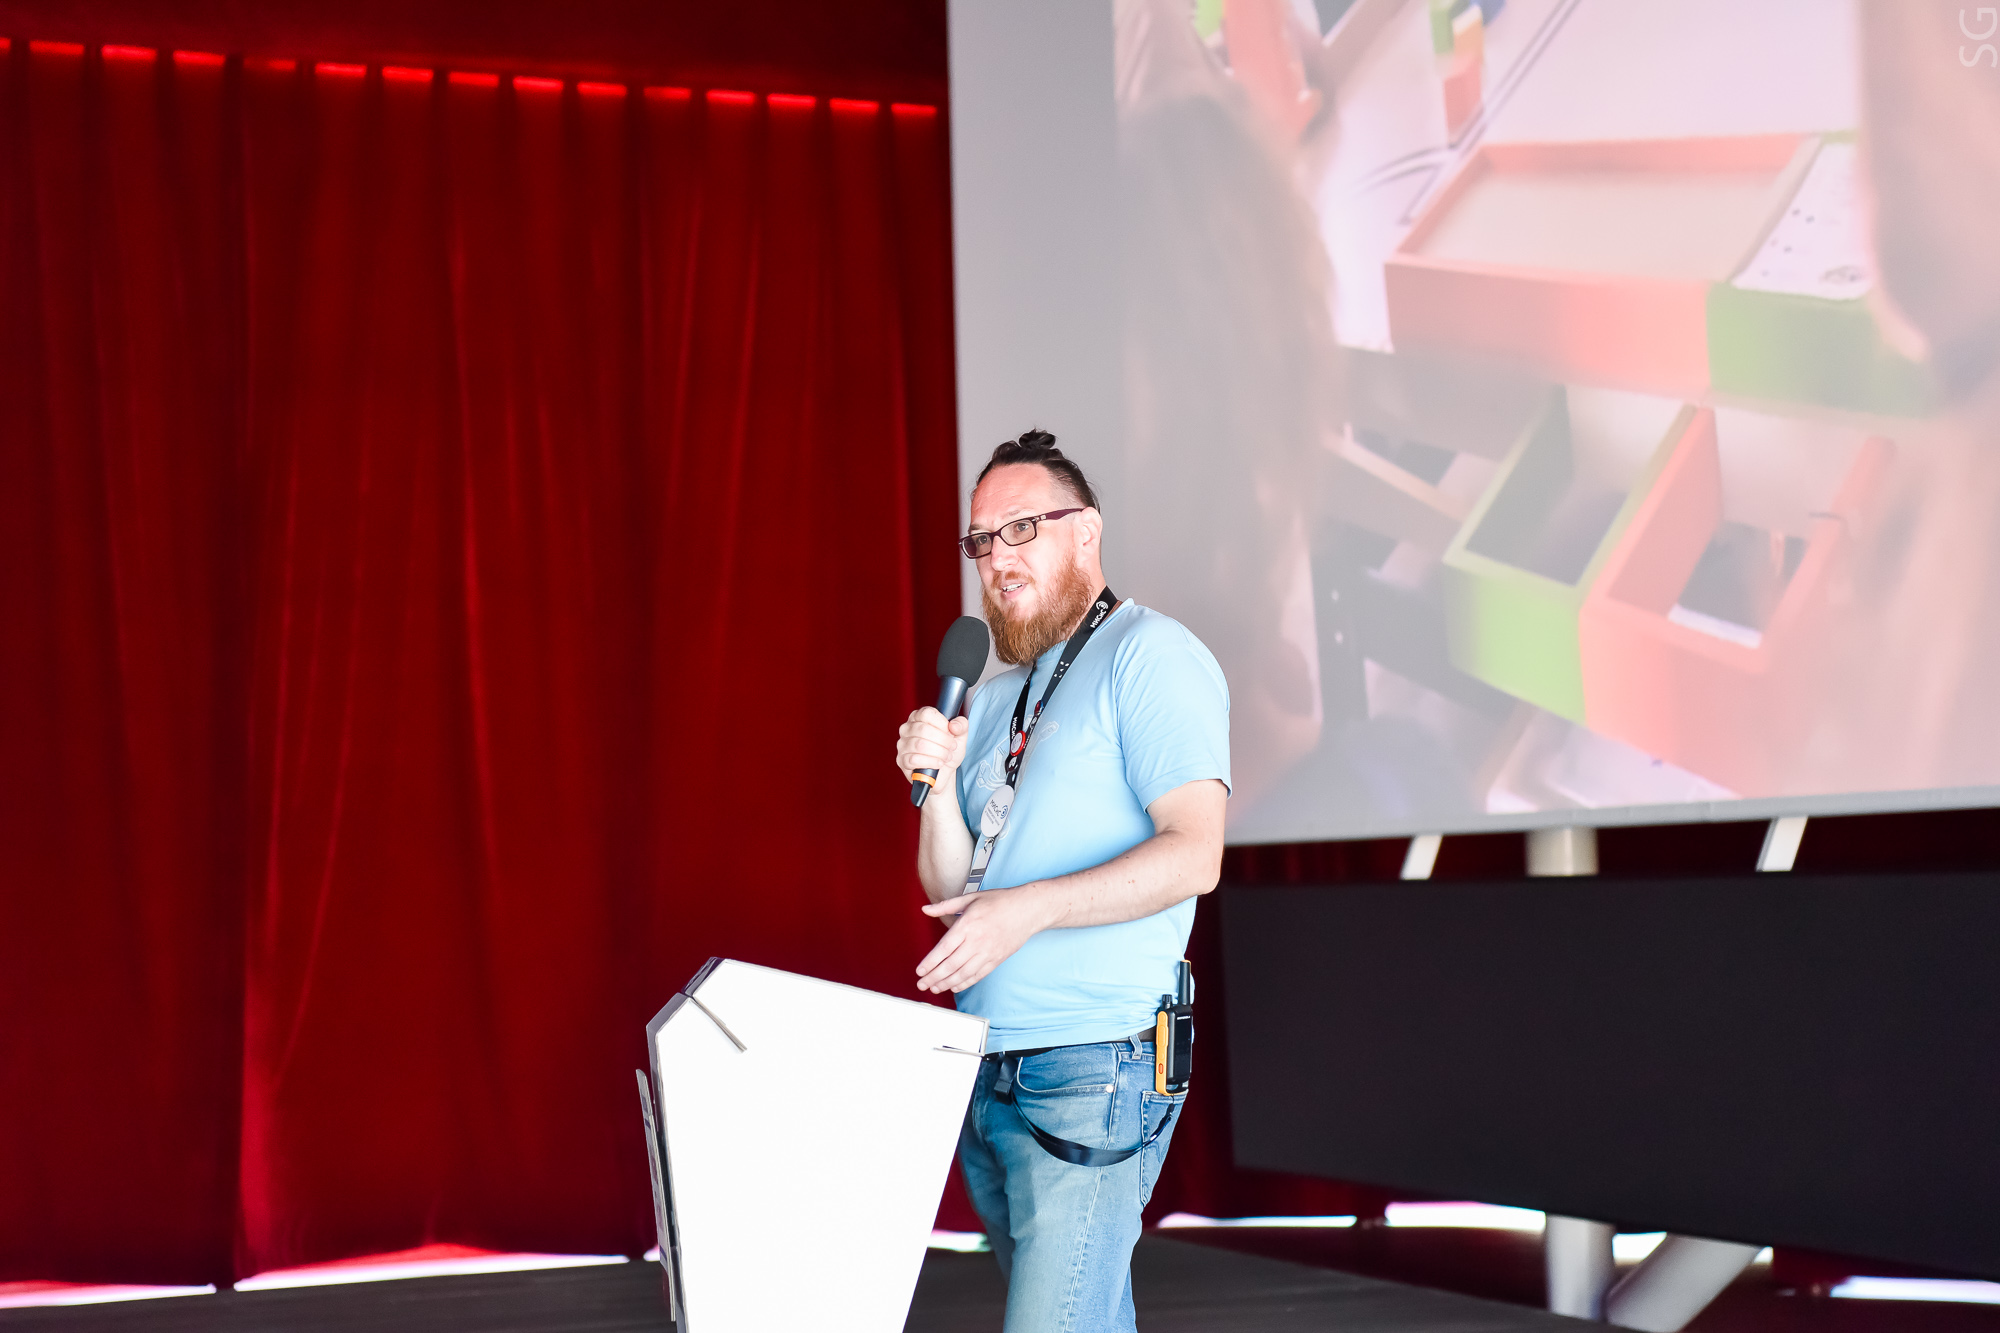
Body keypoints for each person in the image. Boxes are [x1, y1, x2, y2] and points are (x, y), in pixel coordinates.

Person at [893, 429, 1231, 1333]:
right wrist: (937, 787)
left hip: (1096, 1065)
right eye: (980, 540)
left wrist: (1028, 910)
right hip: (989, 1068)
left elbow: (1195, 853)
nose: (996, 558)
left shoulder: (1150, 654)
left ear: (1086, 530)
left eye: (1021, 529)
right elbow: (954, 890)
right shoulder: (993, 697)